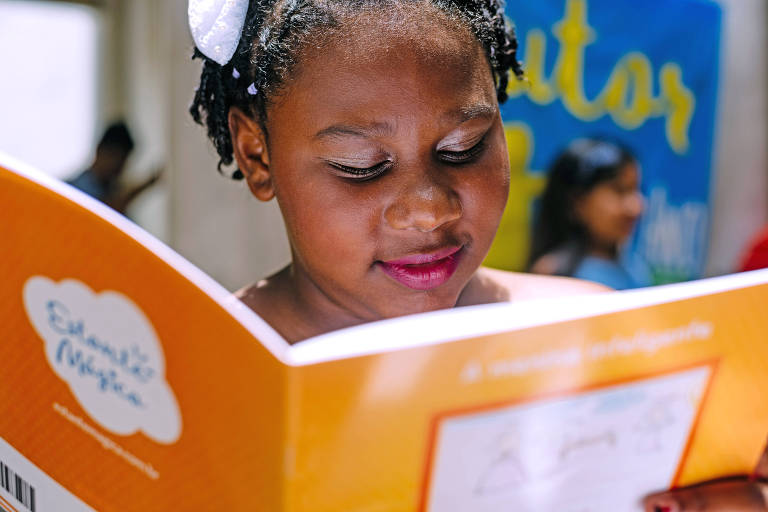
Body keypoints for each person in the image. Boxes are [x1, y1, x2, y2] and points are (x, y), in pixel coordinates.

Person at [187, 0, 766, 509]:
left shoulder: (594, 335)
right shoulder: (195, 378)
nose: (429, 209)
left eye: (463, 148)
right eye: (359, 166)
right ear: (256, 153)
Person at [527, 138, 650, 290]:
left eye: (636, 190)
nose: (636, 206)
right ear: (578, 203)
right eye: (620, 191)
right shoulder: (553, 275)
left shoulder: (634, 268)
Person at [67, 121, 161, 214]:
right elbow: (104, 212)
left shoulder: (111, 190)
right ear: (100, 150)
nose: (118, 170)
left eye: (122, 164)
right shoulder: (74, 190)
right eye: (116, 160)